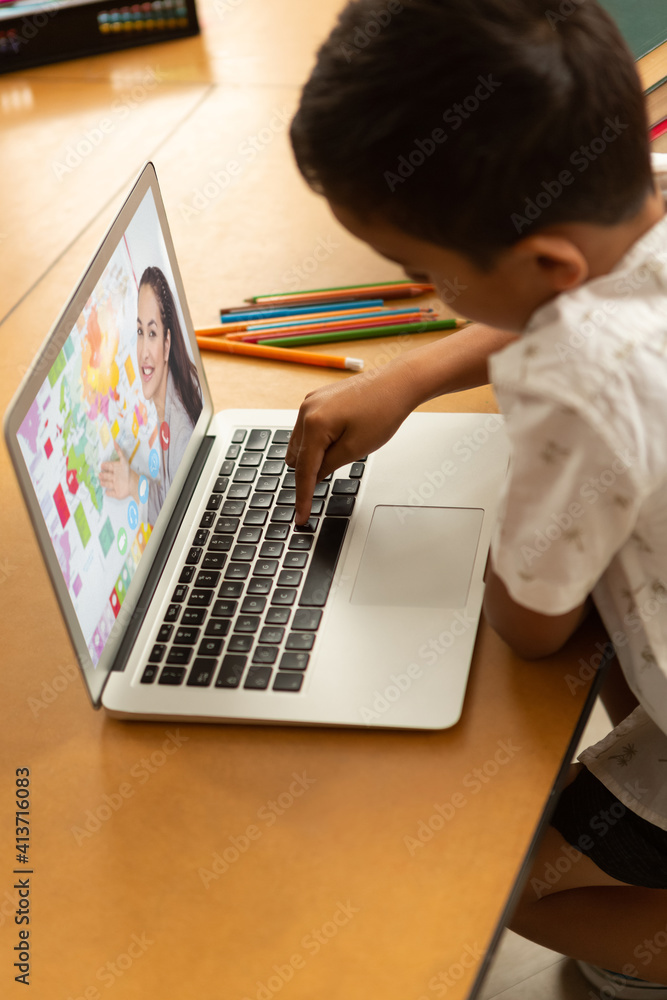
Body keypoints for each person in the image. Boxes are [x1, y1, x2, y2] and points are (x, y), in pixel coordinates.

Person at [284, 0, 667, 994]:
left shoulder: (574, 385)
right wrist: (411, 378)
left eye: (428, 275)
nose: (432, 293)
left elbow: (533, 625)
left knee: (503, 875)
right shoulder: (645, 202)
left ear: (543, 263)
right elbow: (589, 290)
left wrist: (504, 543)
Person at [100, 265, 202, 525]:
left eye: (153, 333)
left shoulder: (180, 433)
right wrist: (134, 483)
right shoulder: (174, 389)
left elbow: (175, 519)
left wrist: (133, 483)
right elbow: (173, 495)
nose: (144, 351)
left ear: (167, 344)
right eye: (140, 332)